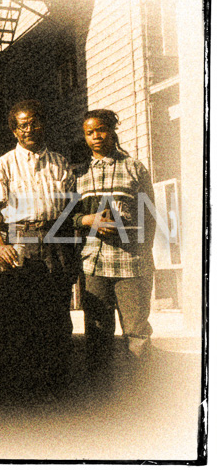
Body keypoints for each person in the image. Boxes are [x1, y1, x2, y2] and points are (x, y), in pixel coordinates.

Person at [0, 99, 78, 397]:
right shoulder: (5, 164)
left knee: (58, 315)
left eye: (34, 122)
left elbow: (72, 207)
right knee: (23, 315)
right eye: (23, 125)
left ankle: (58, 384)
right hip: (22, 241)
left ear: (43, 124)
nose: (30, 129)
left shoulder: (61, 163)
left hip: (56, 240)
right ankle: (25, 388)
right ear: (15, 131)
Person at [72, 109, 155, 371]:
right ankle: (101, 393)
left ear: (113, 130)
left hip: (131, 264)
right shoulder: (79, 174)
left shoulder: (134, 168)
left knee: (136, 331)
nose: (96, 136)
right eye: (89, 132)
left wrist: (140, 248)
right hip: (93, 265)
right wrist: (88, 221)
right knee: (97, 332)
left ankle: (140, 389)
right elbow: (68, 217)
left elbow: (150, 217)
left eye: (101, 129)